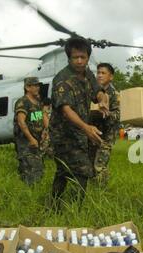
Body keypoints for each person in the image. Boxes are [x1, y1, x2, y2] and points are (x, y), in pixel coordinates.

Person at [50, 37, 109, 208]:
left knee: (63, 171)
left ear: (88, 57)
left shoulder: (87, 72)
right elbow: (66, 110)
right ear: (68, 58)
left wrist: (102, 100)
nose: (80, 61)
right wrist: (86, 128)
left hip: (79, 131)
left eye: (83, 57)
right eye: (75, 57)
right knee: (83, 170)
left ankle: (53, 206)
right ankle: (77, 209)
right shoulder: (62, 80)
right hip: (64, 134)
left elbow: (97, 90)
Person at [89, 63, 120, 184]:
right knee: (90, 162)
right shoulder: (93, 93)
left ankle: (101, 191)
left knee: (100, 165)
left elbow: (119, 116)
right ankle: (90, 187)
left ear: (111, 76)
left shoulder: (115, 95)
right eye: (98, 73)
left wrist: (104, 113)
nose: (99, 75)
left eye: (103, 73)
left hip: (107, 134)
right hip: (93, 133)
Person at [14, 77, 48, 186]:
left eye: (38, 85)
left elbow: (42, 116)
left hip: (37, 140)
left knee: (38, 168)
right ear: (27, 87)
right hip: (26, 142)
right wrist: (31, 139)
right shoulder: (23, 102)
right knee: (31, 168)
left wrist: (45, 131)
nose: (37, 88)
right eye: (35, 85)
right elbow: (21, 122)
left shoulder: (37, 102)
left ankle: (32, 190)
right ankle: (28, 193)